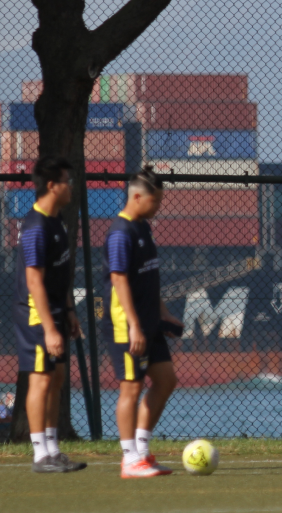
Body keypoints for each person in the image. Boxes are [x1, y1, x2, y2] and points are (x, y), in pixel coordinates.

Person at [103, 167, 185, 478]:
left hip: (151, 321)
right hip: (128, 324)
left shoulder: (143, 228)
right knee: (131, 388)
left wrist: (163, 312)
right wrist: (135, 325)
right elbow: (119, 280)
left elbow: (149, 275)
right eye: (155, 201)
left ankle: (141, 449)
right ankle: (129, 459)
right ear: (137, 197)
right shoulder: (121, 233)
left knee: (166, 381)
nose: (158, 207)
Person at [14, 157, 85, 473]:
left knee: (56, 379)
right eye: (67, 181)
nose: (71, 186)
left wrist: (69, 311)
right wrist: (50, 328)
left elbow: (61, 274)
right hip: (36, 316)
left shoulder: (58, 221)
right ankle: (40, 455)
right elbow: (34, 281)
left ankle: (53, 450)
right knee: (40, 380)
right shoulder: (36, 226)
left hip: (56, 311)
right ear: (52, 186)